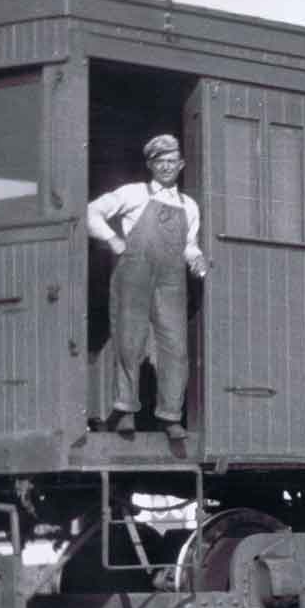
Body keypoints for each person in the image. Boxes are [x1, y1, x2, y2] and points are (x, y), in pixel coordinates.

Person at [87, 134, 210, 443]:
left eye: (172, 162)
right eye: (160, 162)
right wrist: (113, 239)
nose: (166, 167)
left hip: (171, 278)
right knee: (130, 340)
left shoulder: (189, 206)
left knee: (175, 347)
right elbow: (91, 212)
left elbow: (189, 245)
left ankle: (170, 416)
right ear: (150, 165)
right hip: (134, 272)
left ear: (181, 165)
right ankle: (126, 410)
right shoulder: (132, 193)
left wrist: (196, 259)